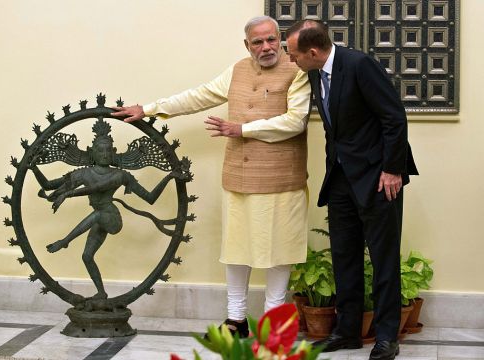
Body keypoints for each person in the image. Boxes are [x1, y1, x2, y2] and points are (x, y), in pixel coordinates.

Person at [111, 16, 311, 337]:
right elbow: (198, 96)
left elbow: (295, 121)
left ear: (281, 40)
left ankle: (274, 324)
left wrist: (241, 129)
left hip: (281, 178)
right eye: (257, 42)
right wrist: (148, 109)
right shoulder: (238, 70)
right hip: (238, 176)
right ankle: (236, 320)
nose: (266, 47)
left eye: (271, 40)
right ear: (247, 46)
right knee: (237, 248)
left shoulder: (297, 71)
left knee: (280, 250)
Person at [281, 20, 418, 360]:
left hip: (378, 177)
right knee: (345, 256)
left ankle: (387, 337)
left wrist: (392, 169)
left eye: (293, 54)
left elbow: (394, 117)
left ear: (312, 52)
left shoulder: (359, 64)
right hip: (341, 178)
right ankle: (347, 332)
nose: (290, 60)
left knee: (384, 259)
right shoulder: (314, 71)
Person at [31, 119, 182, 300]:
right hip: (100, 219)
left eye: (108, 150)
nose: (104, 154)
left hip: (111, 218)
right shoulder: (83, 173)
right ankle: (101, 292)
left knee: (97, 215)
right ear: (92, 153)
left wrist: (169, 177)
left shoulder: (119, 175)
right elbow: (48, 185)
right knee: (87, 256)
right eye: (100, 150)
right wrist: (33, 167)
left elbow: (149, 198)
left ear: (113, 153)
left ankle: (65, 241)